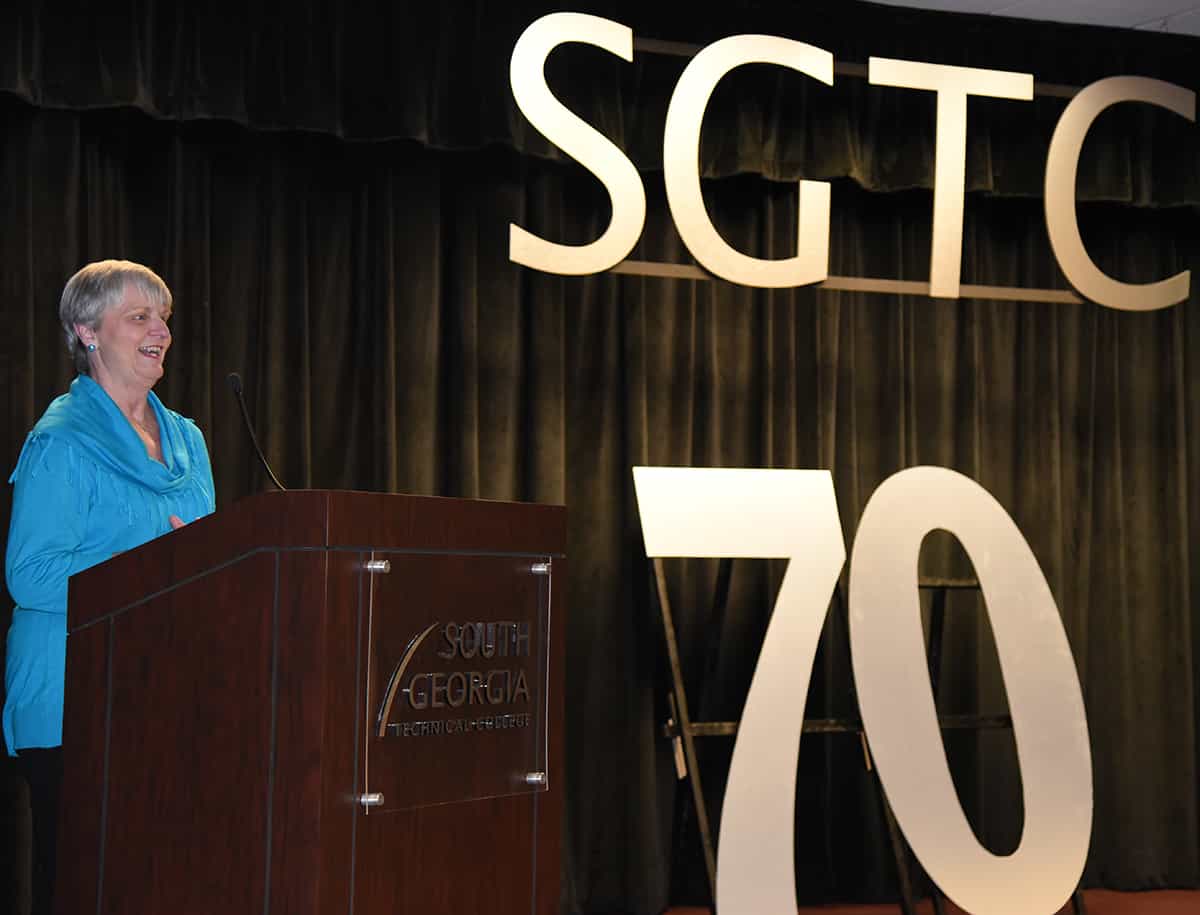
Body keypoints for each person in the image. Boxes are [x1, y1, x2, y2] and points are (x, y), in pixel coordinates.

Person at [3, 260, 216, 915]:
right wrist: (149, 564)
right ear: (87, 332)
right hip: (75, 699)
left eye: (164, 317)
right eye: (139, 316)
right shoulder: (60, 440)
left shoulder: (188, 439)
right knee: (82, 888)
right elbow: (30, 574)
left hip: (165, 693)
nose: (162, 331)